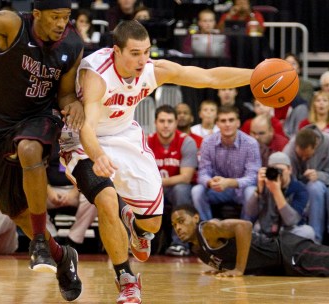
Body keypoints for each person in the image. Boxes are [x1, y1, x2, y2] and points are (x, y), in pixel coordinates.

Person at [60, 20, 257, 304]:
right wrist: (98, 156)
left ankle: (138, 229)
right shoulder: (97, 74)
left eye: (147, 51)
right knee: (106, 200)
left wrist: (257, 73)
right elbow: (87, 127)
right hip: (83, 140)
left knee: (152, 224)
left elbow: (209, 77)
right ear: (116, 51)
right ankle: (126, 279)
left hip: (124, 135)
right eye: (136, 53)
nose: (143, 60)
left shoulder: (153, 70)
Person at [0, 1, 84, 301]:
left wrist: (72, 102)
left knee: (29, 147)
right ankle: (62, 256)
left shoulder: (73, 44)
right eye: (55, 17)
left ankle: (38, 240)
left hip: (39, 117)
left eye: (66, 17)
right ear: (37, 14)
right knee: (12, 210)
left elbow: (64, 93)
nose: (62, 23)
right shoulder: (14, 24)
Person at [171, 204, 329, 278]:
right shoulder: (197, 248)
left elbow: (244, 225)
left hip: (290, 253)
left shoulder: (208, 229)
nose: (178, 227)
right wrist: (225, 267)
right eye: (174, 225)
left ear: (196, 218)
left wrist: (238, 269)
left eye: (181, 220)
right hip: (285, 261)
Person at [192, 105, 260, 221]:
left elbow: (253, 177)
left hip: (241, 189)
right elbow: (203, 172)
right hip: (217, 189)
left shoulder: (250, 143)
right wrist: (210, 182)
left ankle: (246, 231)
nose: (227, 124)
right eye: (223, 121)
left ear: (238, 123)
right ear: (217, 124)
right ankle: (208, 230)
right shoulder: (207, 142)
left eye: (231, 120)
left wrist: (229, 182)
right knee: (197, 191)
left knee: (252, 192)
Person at [147, 105, 198, 256]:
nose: (166, 125)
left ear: (176, 123)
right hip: (153, 189)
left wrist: (156, 182)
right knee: (137, 191)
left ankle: (180, 244)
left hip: (174, 188)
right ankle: (140, 241)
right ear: (155, 122)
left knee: (181, 189)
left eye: (170, 121)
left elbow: (186, 177)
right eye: (162, 121)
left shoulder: (186, 142)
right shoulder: (146, 141)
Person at [283, 126, 329, 244]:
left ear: (316, 145)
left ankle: (316, 240)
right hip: (298, 188)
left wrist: (319, 176)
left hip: (326, 187)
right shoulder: (289, 149)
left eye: (307, 156)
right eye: (301, 157)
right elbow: (287, 182)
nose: (304, 159)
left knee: (315, 186)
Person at [244, 152, 313, 241]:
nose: (278, 174)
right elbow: (250, 213)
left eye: (281, 170)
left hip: (288, 233)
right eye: (274, 170)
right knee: (250, 191)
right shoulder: (265, 185)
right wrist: (259, 190)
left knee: (307, 231)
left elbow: (291, 221)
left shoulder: (299, 189)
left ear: (290, 170)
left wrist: (276, 192)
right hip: (265, 230)